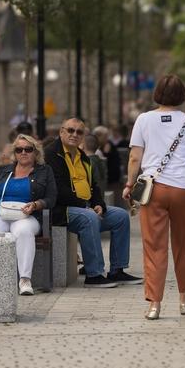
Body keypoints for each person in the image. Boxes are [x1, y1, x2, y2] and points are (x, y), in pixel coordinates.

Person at [124, 74, 185, 319]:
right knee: (183, 245)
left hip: (154, 190)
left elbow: (134, 158)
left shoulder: (143, 120)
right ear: (182, 95)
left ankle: (154, 305)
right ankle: (184, 301)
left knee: (154, 247)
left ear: (156, 94)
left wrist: (130, 184)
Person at [46, 118, 141, 289]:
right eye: (70, 130)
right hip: (60, 210)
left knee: (120, 216)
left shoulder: (83, 157)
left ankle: (117, 270)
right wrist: (86, 205)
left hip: (84, 207)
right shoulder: (51, 155)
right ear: (61, 132)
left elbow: (94, 185)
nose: (74, 134)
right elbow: (58, 189)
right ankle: (94, 274)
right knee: (89, 218)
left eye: (79, 132)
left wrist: (99, 203)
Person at [0, 134, 57, 296]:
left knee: (22, 230)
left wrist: (36, 205)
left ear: (36, 152)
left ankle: (25, 279)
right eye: (19, 149)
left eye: (28, 149)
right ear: (14, 153)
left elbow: (51, 197)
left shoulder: (44, 171)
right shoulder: (3, 170)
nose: (23, 152)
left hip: (27, 216)